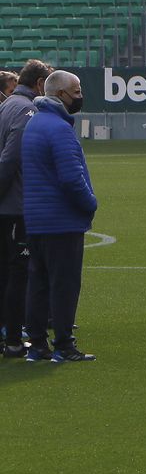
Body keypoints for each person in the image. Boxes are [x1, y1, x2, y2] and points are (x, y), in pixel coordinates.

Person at [20, 70, 96, 362]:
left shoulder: (35, 124)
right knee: (64, 285)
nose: (79, 96)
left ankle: (37, 345)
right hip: (61, 220)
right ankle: (64, 345)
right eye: (75, 91)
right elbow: (71, 178)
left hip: (36, 219)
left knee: (38, 283)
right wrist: (90, 203)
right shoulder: (59, 129)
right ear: (60, 94)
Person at [0, 59, 50, 358]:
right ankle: (15, 339)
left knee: (7, 271)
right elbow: (11, 159)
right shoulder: (27, 110)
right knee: (19, 272)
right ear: (41, 84)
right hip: (16, 205)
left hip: (9, 204)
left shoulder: (8, 104)